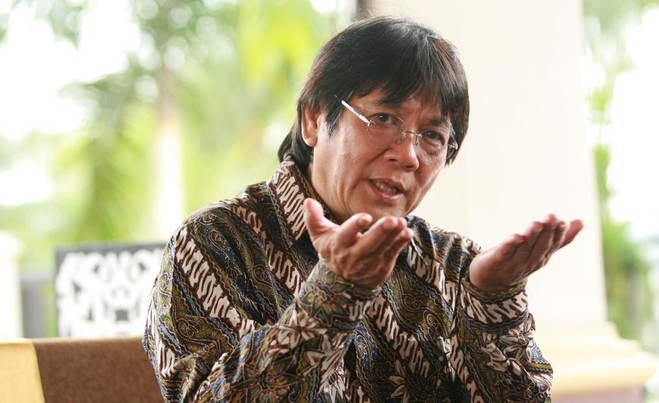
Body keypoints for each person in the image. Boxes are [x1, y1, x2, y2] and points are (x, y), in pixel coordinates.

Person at [143, 15, 583, 402]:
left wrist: (492, 303)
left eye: (432, 135)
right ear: (314, 120)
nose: (409, 156)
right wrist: (336, 293)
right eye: (384, 119)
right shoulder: (215, 244)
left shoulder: (455, 265)